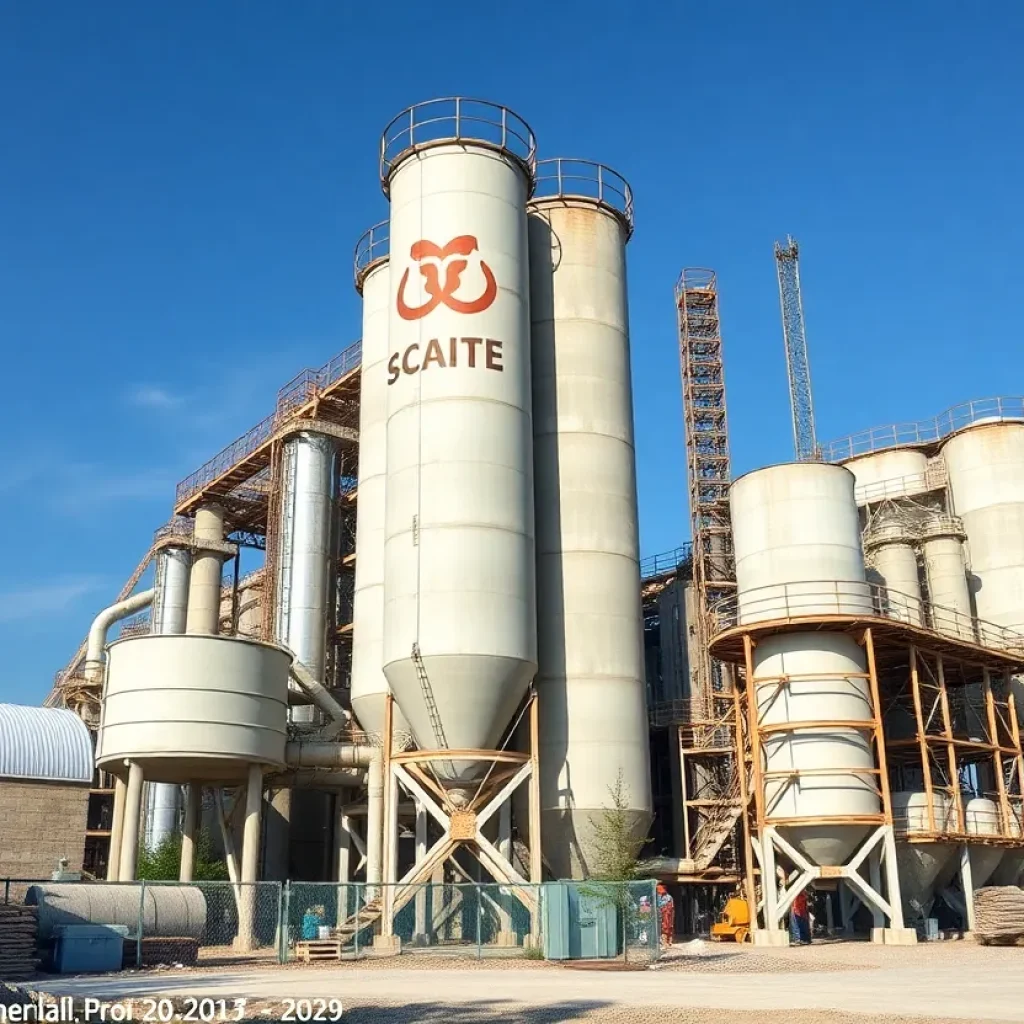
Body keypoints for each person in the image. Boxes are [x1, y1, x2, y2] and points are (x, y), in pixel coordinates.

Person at [656, 883, 675, 948]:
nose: (659, 893)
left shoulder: (668, 897)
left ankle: (667, 942)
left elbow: (669, 908)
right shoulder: (658, 896)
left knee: (667, 927)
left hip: (667, 916)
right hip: (662, 915)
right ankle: (665, 942)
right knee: (664, 927)